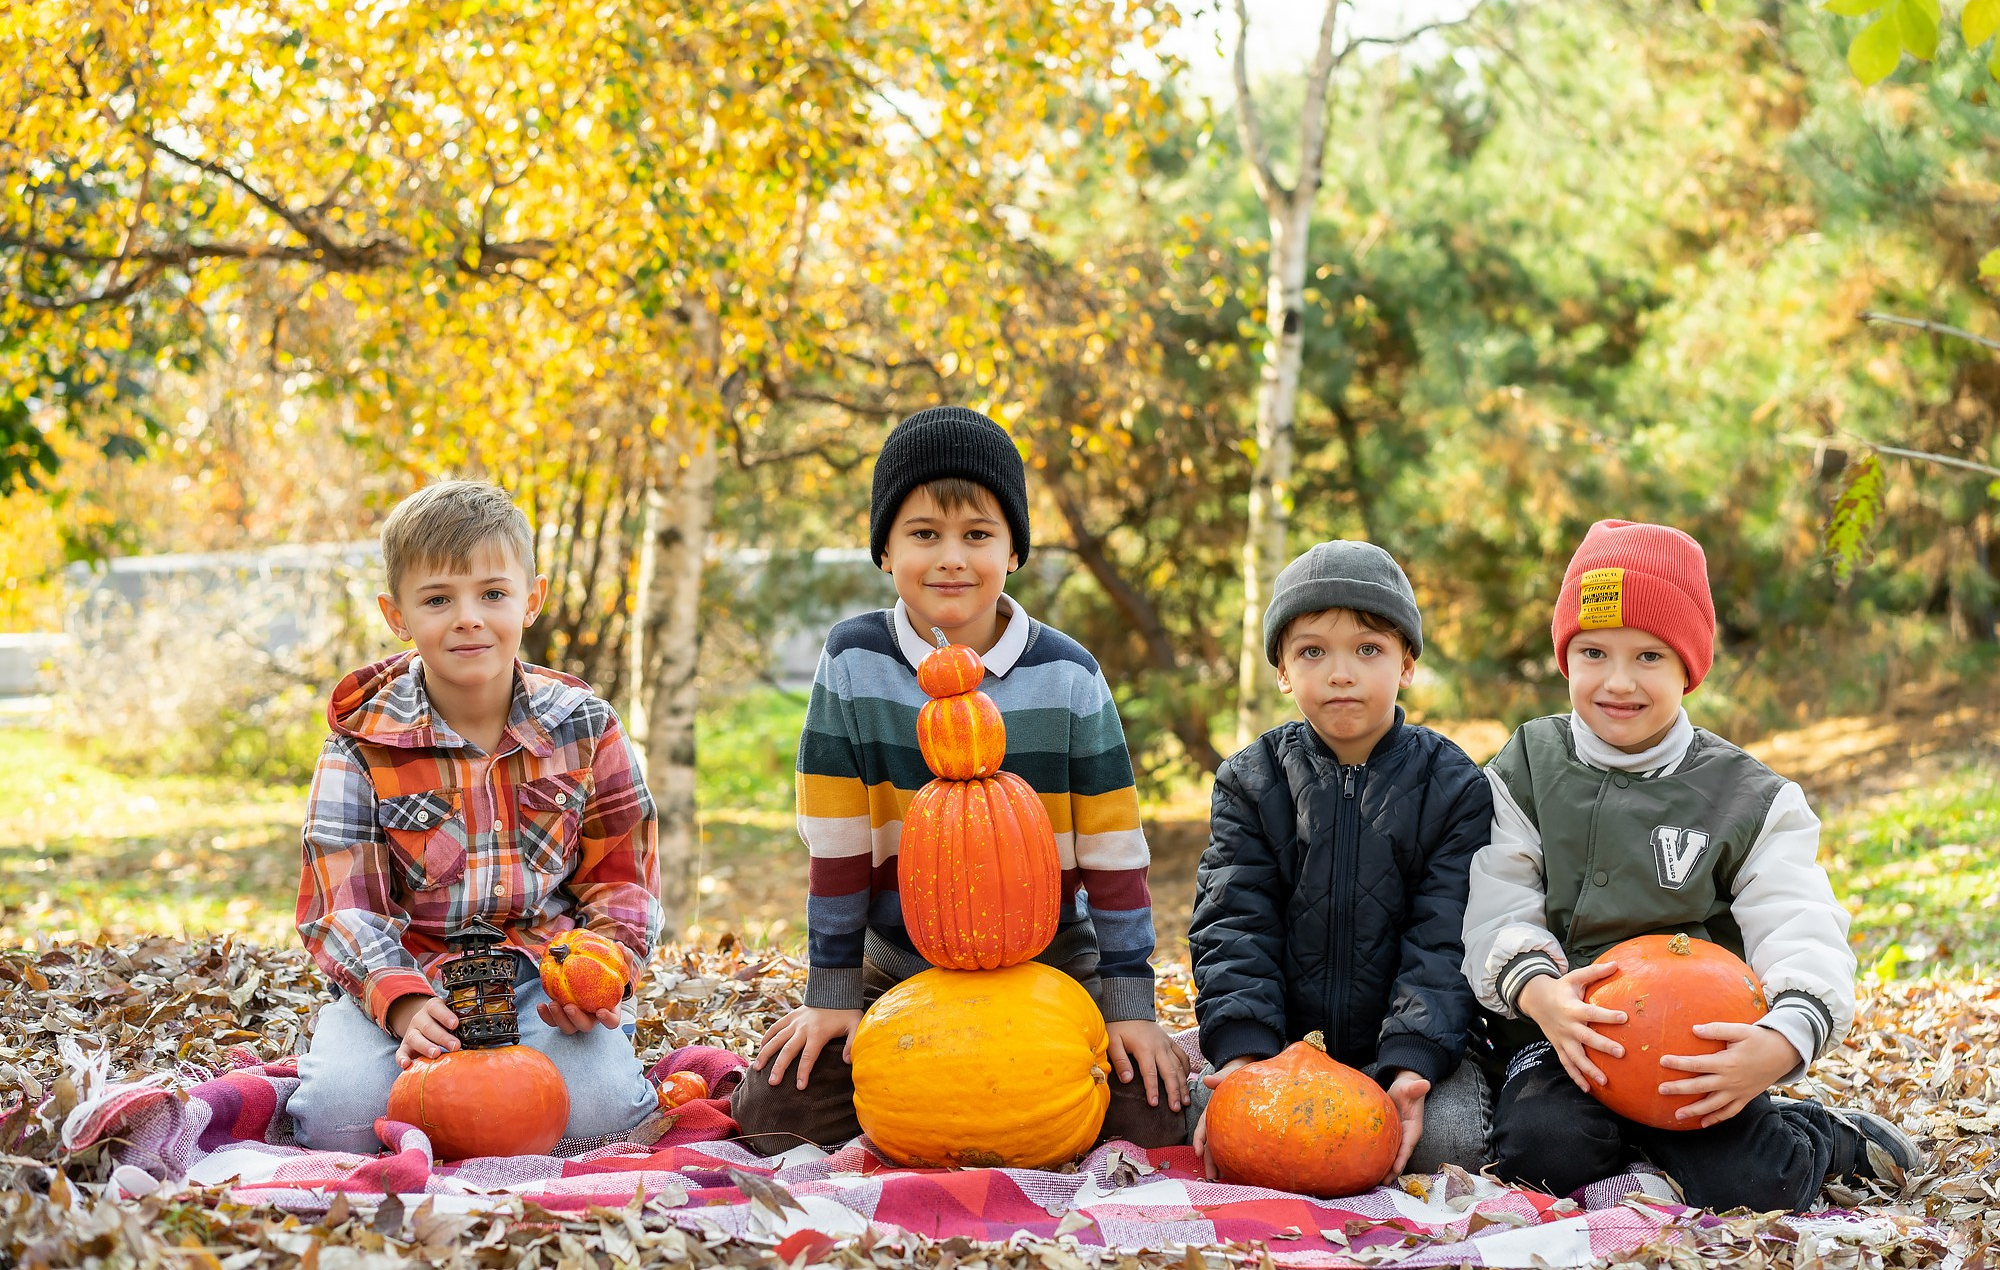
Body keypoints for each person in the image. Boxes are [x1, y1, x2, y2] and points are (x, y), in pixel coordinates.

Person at [730, 405, 1189, 1154]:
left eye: (978, 534)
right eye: (923, 534)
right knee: (778, 1113)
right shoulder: (853, 663)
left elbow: (1114, 850)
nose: (951, 557)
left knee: (1153, 1115)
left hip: (1051, 954)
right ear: (885, 550)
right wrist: (834, 990)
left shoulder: (1069, 677)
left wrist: (1129, 1000)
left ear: (1013, 551)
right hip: (900, 954)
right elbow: (838, 841)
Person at [1462, 518, 1921, 1211]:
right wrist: (1536, 990)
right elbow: (1499, 894)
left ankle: (1829, 1135)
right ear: (1566, 657)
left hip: (1695, 1050)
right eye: (1593, 652)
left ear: (1688, 666)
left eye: (1649, 656)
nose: (1618, 681)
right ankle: (1637, 1150)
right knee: (1542, 1149)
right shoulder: (1529, 765)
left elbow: (1799, 915)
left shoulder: (1746, 796)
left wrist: (1784, 1034)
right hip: (1568, 1037)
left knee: (1757, 1185)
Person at [287, 480, 661, 1152]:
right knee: (334, 1121)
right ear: (397, 614)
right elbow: (341, 903)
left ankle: (513, 1100)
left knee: (608, 1114)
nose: (468, 618)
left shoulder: (584, 726)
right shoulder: (361, 742)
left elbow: (622, 877)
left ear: (531, 599)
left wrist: (604, 969)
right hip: (411, 972)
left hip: (542, 975)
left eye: (492, 593)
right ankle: (388, 1068)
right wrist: (397, 999)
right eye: (437, 599)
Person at [1188, 540, 1494, 1180]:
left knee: (1453, 1140)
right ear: (1281, 670)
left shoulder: (1453, 784)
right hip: (1281, 1050)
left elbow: (1445, 934)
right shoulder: (1252, 780)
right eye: (1311, 652)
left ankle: (1407, 1087)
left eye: (1368, 649)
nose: (1340, 673)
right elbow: (1233, 922)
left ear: (1406, 663)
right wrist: (1246, 1056)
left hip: (1406, 1047)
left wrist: (1412, 1061)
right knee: (1198, 1106)